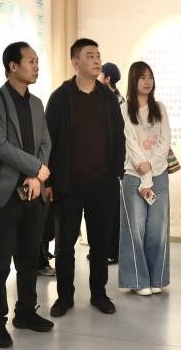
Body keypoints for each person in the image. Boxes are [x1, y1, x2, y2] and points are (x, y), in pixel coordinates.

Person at [45, 38, 124, 317]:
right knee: (65, 244)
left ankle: (99, 294)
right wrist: (49, 181)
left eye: (98, 55)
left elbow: (119, 136)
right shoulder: (60, 97)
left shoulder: (107, 97)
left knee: (100, 242)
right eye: (90, 55)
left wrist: (116, 173)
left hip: (102, 182)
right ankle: (64, 296)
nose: (97, 60)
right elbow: (49, 141)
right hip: (69, 184)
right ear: (75, 62)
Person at [0, 41, 53, 347]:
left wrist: (36, 176)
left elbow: (46, 143)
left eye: (37, 61)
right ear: (13, 66)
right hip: (5, 193)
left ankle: (25, 312)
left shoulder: (36, 103)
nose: (36, 66)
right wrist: (35, 168)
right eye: (31, 61)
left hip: (33, 193)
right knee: (0, 263)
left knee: (28, 258)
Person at [118, 61, 171, 295]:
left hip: (158, 174)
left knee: (157, 230)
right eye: (142, 77)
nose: (148, 81)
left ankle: (156, 278)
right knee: (134, 231)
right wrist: (141, 165)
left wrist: (151, 165)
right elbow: (128, 141)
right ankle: (138, 281)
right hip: (133, 175)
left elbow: (165, 140)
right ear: (133, 80)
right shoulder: (123, 109)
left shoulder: (159, 108)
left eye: (150, 77)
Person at [99, 61, 123, 265]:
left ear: (107, 78)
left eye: (101, 73)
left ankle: (111, 250)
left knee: (112, 212)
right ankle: (106, 249)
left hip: (112, 164)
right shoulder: (113, 97)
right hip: (107, 164)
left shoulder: (115, 101)